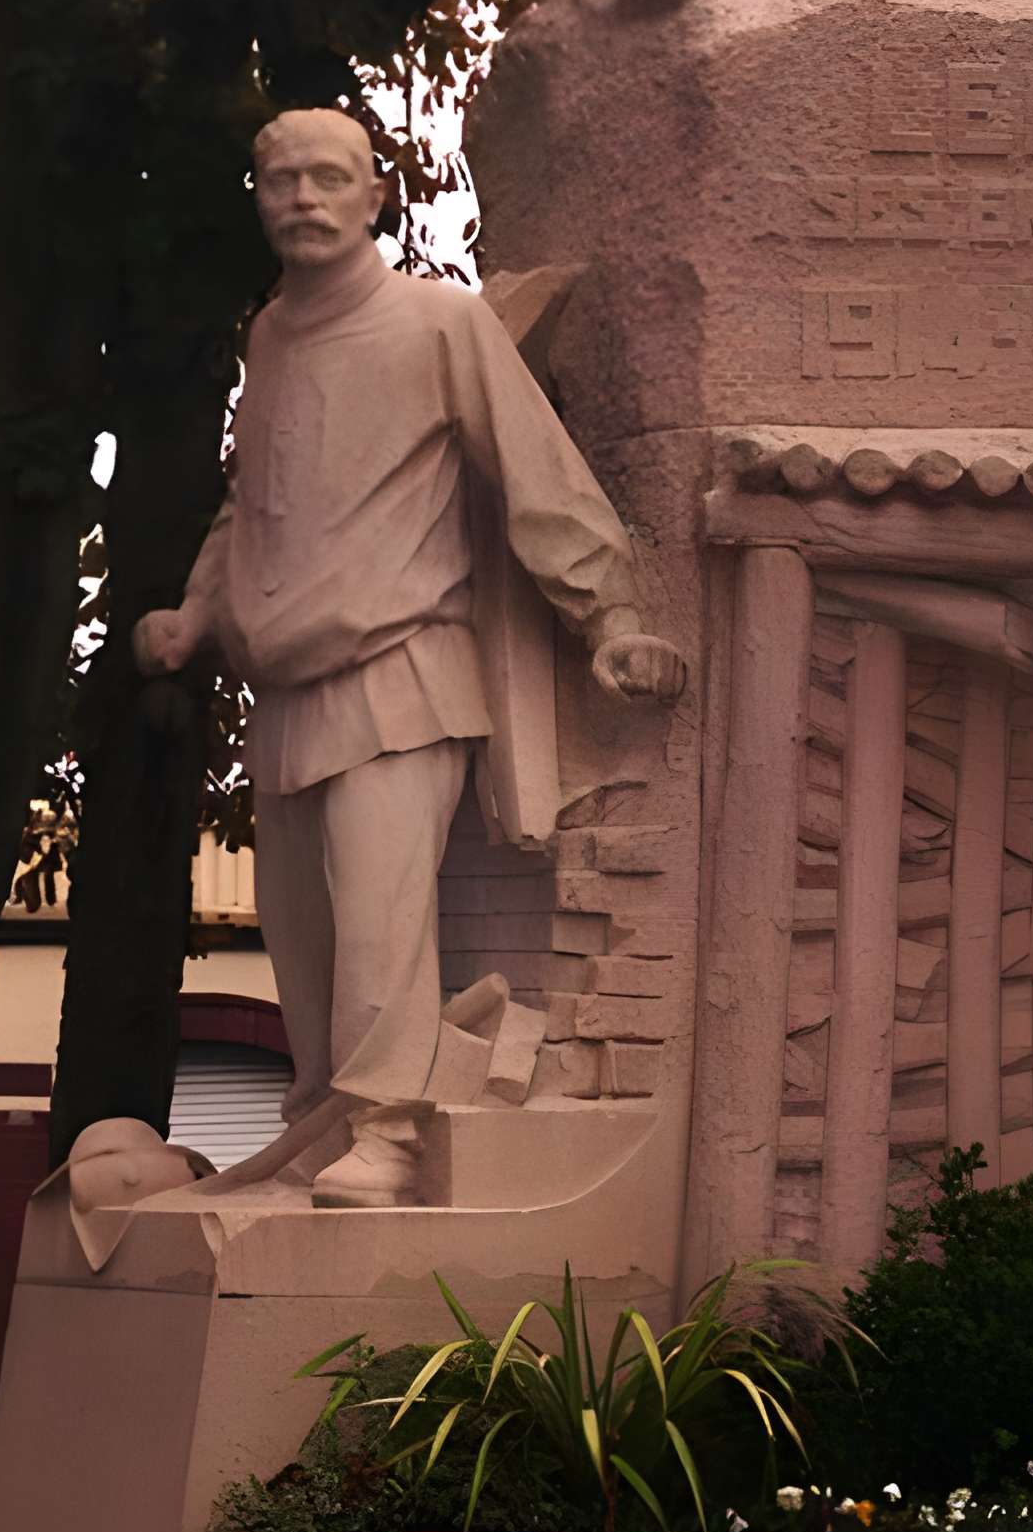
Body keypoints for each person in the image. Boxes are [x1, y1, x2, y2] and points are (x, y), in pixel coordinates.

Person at [134, 109, 684, 1207]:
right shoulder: (271, 337)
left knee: (382, 925)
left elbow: (540, 477)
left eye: (327, 178)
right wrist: (196, 611)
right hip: (284, 695)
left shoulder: (438, 324)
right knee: (305, 945)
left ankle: (384, 1131)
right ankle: (319, 1122)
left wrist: (611, 616)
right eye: (280, 180)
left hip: (402, 672)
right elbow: (257, 503)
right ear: (257, 198)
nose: (303, 199)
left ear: (376, 193)